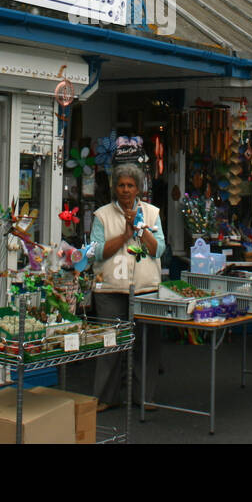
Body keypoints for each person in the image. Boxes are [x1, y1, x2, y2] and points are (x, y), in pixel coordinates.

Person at [90, 164, 165, 412]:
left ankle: (144, 396)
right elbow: (97, 252)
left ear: (138, 189)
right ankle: (106, 397)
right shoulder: (102, 215)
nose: (125, 190)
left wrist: (141, 229)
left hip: (145, 288)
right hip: (111, 288)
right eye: (121, 185)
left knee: (146, 345)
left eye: (130, 185)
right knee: (110, 344)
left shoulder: (152, 213)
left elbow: (159, 249)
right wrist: (124, 235)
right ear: (115, 187)